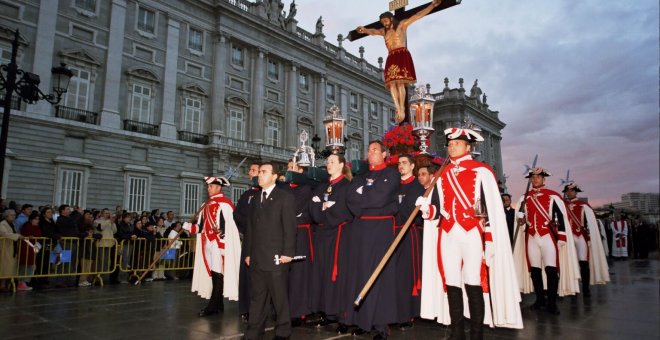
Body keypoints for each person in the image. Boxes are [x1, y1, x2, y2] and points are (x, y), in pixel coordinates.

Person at [416, 128, 522, 339]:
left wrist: (489, 239)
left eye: (456, 143)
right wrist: (428, 209)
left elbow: (490, 208)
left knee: (473, 280)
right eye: (450, 143)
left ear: (468, 146)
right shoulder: (442, 174)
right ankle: (457, 332)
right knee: (452, 281)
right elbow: (438, 208)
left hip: (472, 232)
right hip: (448, 233)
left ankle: (476, 332)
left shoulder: (481, 171)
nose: (451, 146)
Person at [342, 140, 400, 340]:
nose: (371, 152)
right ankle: (363, 321)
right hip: (360, 229)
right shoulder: (361, 176)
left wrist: (364, 198)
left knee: (379, 275)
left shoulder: (391, 174)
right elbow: (350, 198)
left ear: (385, 154)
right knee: (360, 274)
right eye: (369, 150)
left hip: (380, 229)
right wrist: (366, 201)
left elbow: (381, 197)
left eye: (375, 150)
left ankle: (381, 325)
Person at [356, 0, 442, 124]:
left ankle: (402, 108)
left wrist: (432, 5)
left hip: (401, 53)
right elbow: (373, 31)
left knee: (400, 83)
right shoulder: (383, 31)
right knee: (391, 84)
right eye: (382, 22)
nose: (384, 23)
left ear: (391, 19)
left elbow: (417, 15)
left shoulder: (401, 25)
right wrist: (364, 30)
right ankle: (398, 107)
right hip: (391, 56)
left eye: (385, 20)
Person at [512, 167, 580, 315]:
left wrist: (561, 237)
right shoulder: (524, 198)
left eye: (538, 177)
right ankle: (540, 299)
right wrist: (520, 219)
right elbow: (520, 219)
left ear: (544, 179)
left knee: (551, 269)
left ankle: (552, 302)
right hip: (531, 236)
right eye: (533, 177)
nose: (535, 179)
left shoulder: (553, 196)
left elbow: (560, 217)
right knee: (535, 270)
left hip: (547, 235)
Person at [243, 163, 297, 340]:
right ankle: (253, 332)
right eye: (259, 172)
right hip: (257, 257)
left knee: (279, 298)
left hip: (276, 257)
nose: (259, 175)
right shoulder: (256, 197)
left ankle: (283, 331)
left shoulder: (284, 197)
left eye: (264, 172)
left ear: (274, 176)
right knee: (257, 298)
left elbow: (290, 228)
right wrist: (249, 253)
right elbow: (251, 229)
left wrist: (288, 253)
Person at [183, 176, 241, 317]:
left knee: (217, 273)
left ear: (218, 187)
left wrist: (222, 233)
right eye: (208, 186)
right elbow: (201, 227)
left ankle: (213, 305)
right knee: (213, 273)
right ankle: (218, 303)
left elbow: (231, 226)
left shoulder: (225, 205)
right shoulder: (206, 204)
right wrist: (189, 227)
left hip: (219, 243)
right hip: (207, 243)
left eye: (211, 186)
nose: (208, 189)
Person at [308, 154, 354, 331]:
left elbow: (345, 209)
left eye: (332, 162)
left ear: (341, 165)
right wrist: (325, 209)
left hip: (340, 236)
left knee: (339, 275)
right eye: (327, 162)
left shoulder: (347, 186)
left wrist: (324, 209)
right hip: (322, 234)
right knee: (322, 273)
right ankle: (327, 313)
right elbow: (313, 207)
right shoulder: (322, 186)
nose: (328, 164)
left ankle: (342, 316)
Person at [393, 154, 425, 330]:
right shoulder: (395, 186)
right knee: (395, 276)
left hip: (408, 235)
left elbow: (413, 213)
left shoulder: (418, 188)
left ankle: (408, 314)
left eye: (404, 163)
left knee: (407, 275)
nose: (401, 166)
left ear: (412, 166)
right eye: (399, 163)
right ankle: (396, 311)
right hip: (393, 233)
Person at [563, 183, 609, 298]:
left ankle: (585, 288)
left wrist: (589, 236)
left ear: (576, 192)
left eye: (572, 191)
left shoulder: (584, 205)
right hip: (569, 237)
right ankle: (573, 287)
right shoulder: (563, 205)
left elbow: (591, 223)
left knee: (583, 262)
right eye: (567, 191)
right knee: (570, 263)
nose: (569, 193)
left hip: (581, 236)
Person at [285, 160, 314, 326]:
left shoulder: (305, 189)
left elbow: (294, 210)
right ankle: (288, 309)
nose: (289, 170)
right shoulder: (287, 189)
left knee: (299, 275)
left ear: (300, 171)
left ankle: (300, 311)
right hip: (287, 233)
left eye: (292, 168)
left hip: (301, 234)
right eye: (288, 167)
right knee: (288, 275)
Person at [234, 162, 261, 322]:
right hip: (250, 239)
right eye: (250, 170)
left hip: (264, 241)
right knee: (247, 275)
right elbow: (237, 215)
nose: (250, 173)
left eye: (253, 170)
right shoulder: (246, 195)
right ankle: (247, 308)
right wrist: (249, 227)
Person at [0, 209, 23, 291]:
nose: (14, 216)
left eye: (14, 215)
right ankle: (2, 285)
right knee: (4, 267)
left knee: (10, 267)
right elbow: (4, 233)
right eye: (12, 215)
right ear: (6, 216)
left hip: (12, 248)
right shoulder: (2, 224)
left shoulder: (12, 224)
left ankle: (7, 284)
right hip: (5, 248)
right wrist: (17, 236)